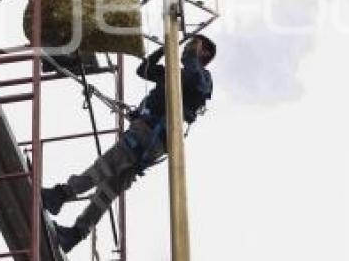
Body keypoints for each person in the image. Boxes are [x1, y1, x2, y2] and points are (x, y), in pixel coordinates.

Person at [41, 35, 217, 253]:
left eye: (194, 46)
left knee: (105, 166)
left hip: (149, 135)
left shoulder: (202, 78)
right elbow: (144, 70)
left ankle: (60, 195)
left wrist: (191, 54)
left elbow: (196, 80)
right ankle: (75, 234)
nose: (187, 49)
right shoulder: (174, 75)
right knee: (108, 190)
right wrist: (164, 50)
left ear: (205, 53)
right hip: (149, 139)